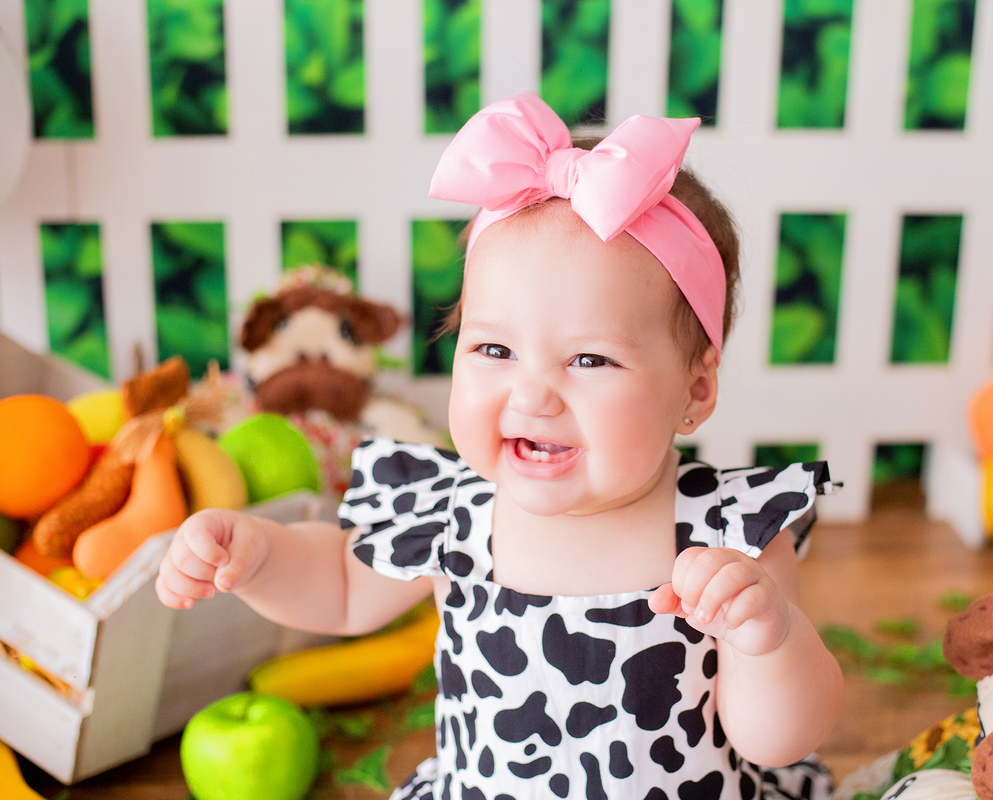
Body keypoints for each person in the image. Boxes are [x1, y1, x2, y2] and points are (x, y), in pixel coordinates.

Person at [157, 92, 844, 800]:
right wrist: (258, 555)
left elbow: (784, 736)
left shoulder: (728, 535)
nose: (532, 396)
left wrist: (767, 638)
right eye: (494, 348)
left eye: (589, 361)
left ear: (694, 392)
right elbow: (339, 585)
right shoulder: (457, 511)